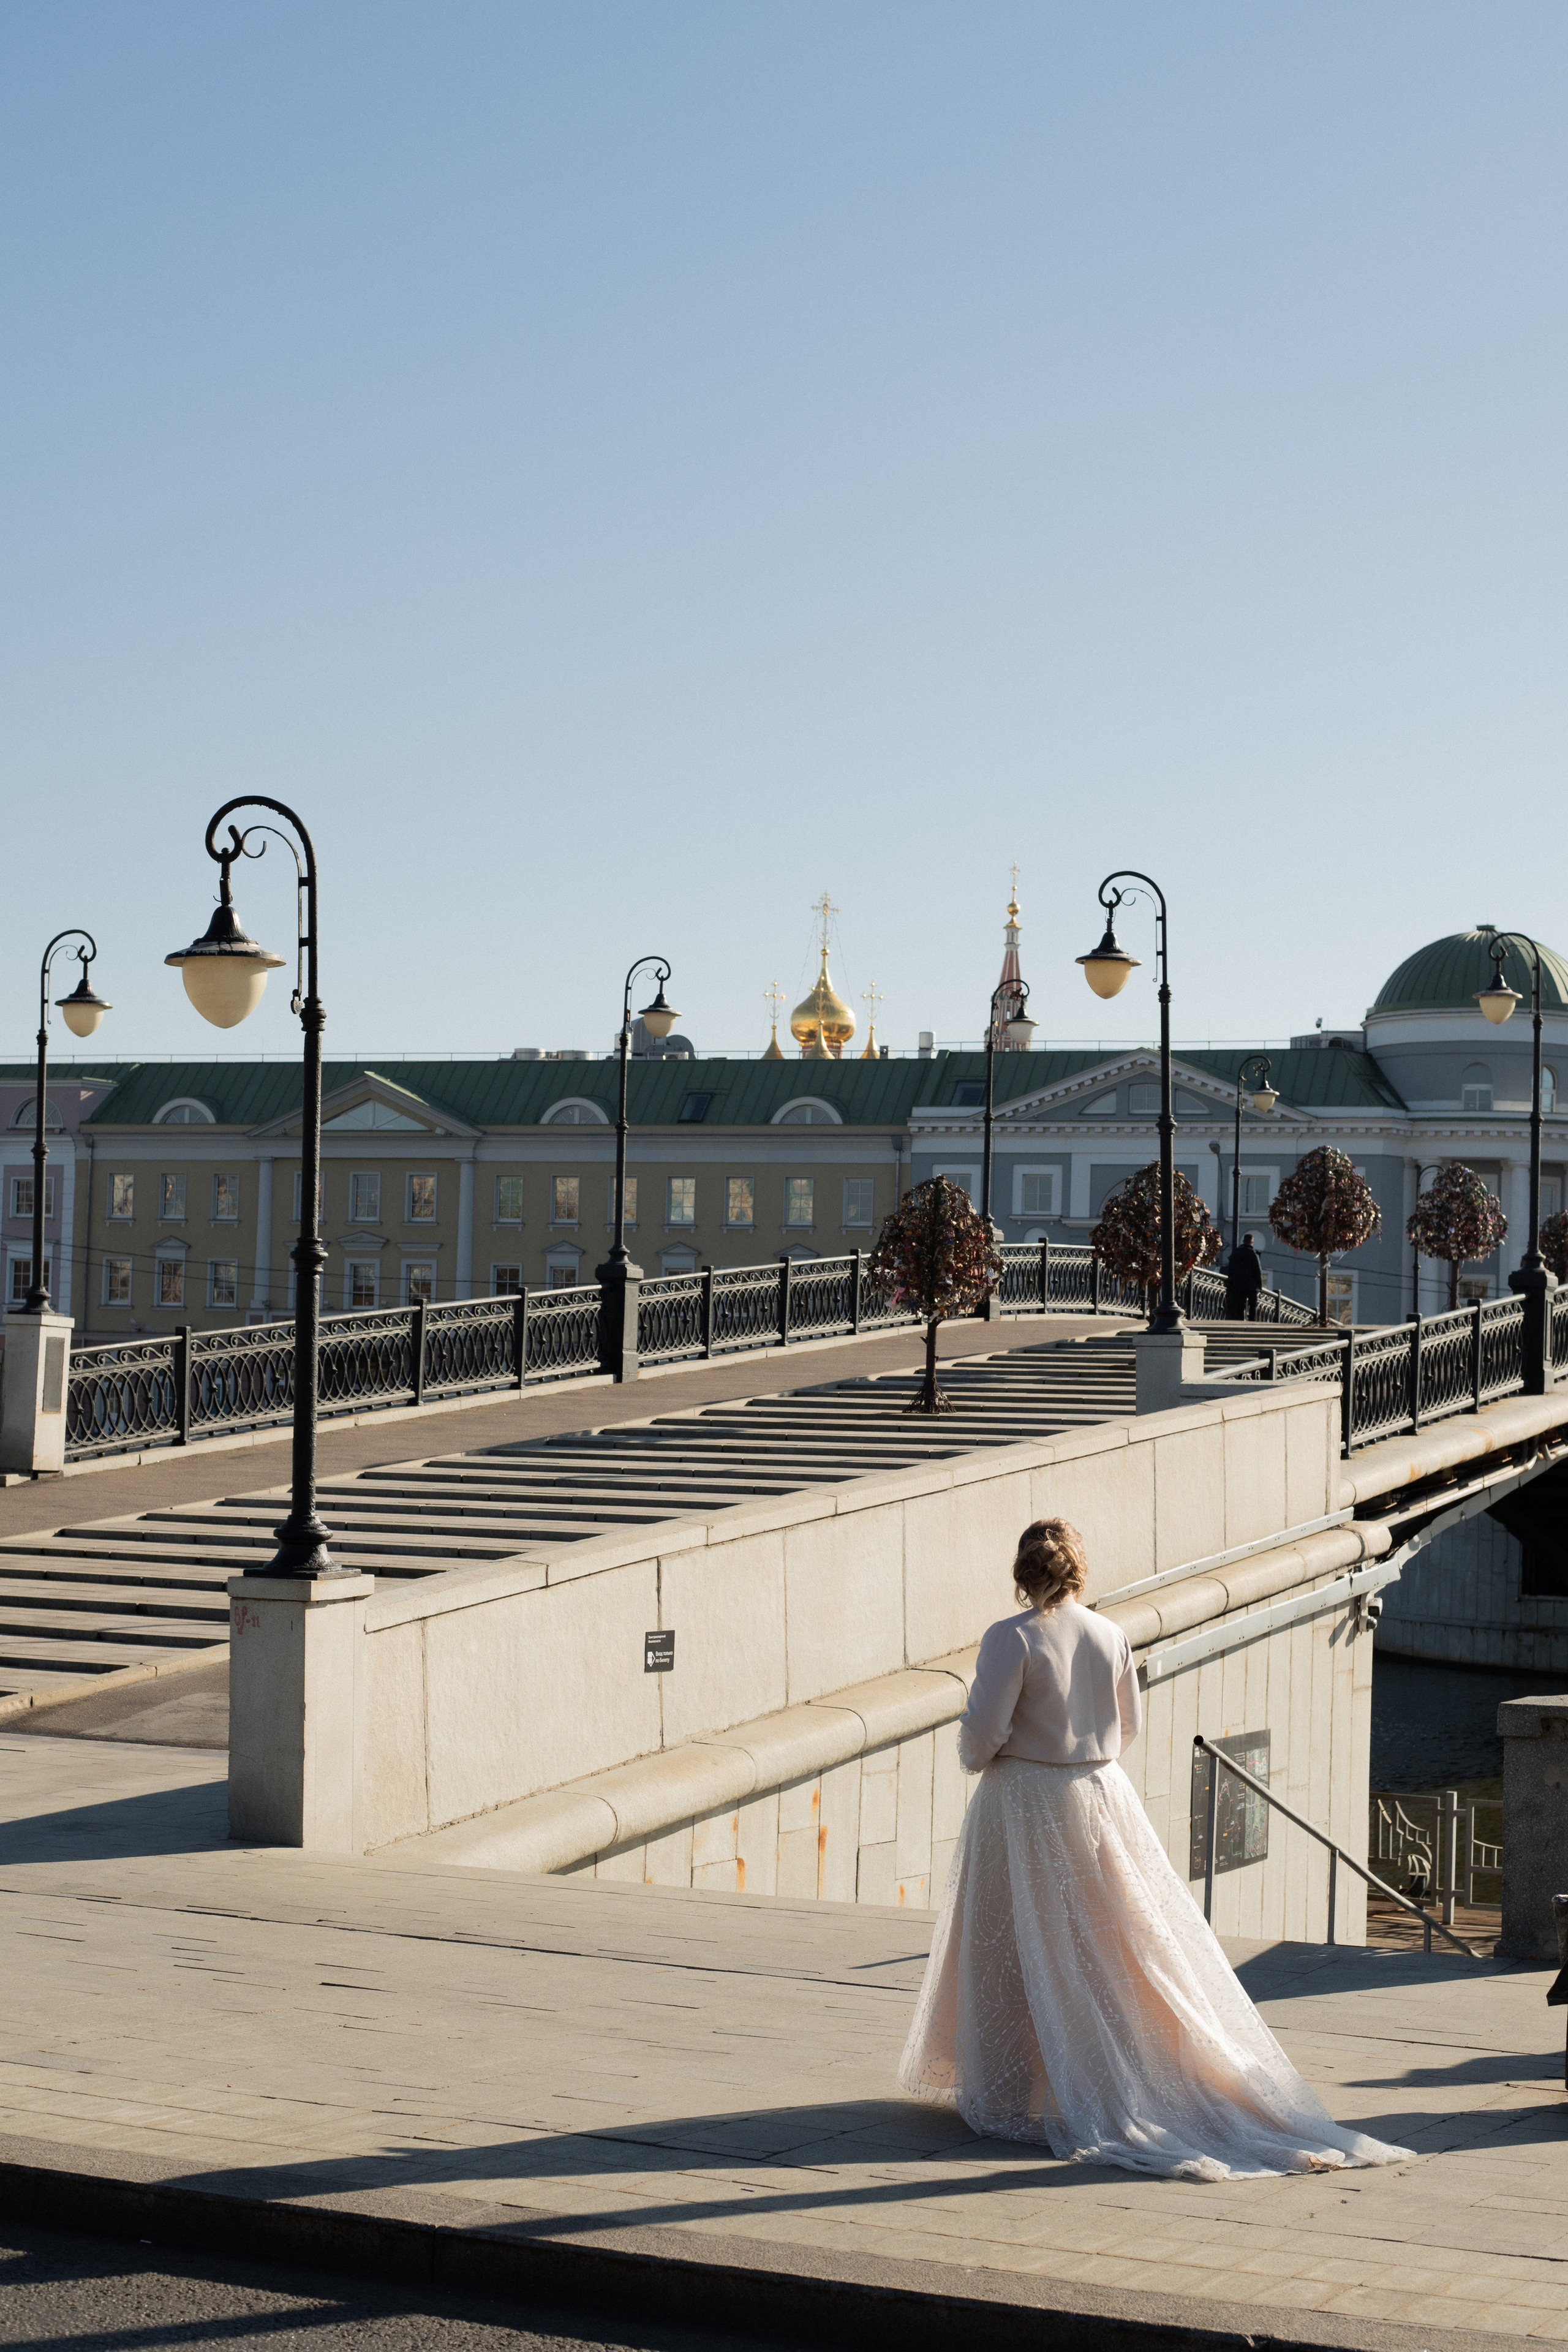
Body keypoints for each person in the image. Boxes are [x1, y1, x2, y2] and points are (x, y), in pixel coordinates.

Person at [899, 1518, 1414, 2182]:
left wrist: (990, 1754)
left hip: (1025, 1801)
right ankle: (1115, 2073)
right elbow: (1129, 1726)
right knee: (1110, 1943)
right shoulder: (1110, 1634)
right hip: (1101, 1793)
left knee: (1013, 1940)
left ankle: (1013, 2089)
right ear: (1078, 1569)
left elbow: (981, 1738)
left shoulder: (1011, 1638)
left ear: (1022, 1573)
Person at [1224, 1231, 1265, 1320]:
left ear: (1243, 1241)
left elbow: (1230, 1268)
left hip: (1238, 1285)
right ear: (1252, 1242)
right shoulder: (1253, 1254)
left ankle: (1240, 1321)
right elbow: (1257, 1271)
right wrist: (1260, 1286)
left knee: (1240, 1306)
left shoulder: (1236, 1253)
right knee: (1253, 1306)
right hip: (1251, 1286)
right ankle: (1252, 1322)